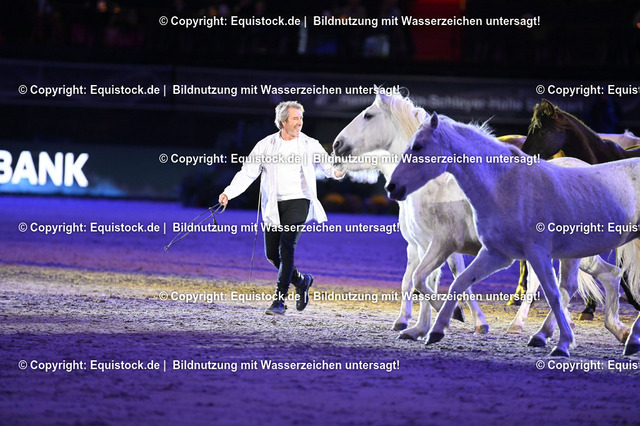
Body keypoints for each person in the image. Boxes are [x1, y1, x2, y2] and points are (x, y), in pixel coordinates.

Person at [219, 101, 346, 315]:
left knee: (287, 249)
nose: (300, 122)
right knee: (272, 254)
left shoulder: (310, 144)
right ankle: (302, 281)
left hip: (299, 201)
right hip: (273, 205)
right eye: (295, 118)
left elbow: (328, 168)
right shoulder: (265, 145)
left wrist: (338, 172)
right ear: (283, 121)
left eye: (301, 118)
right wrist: (228, 193)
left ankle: (279, 301)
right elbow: (248, 172)